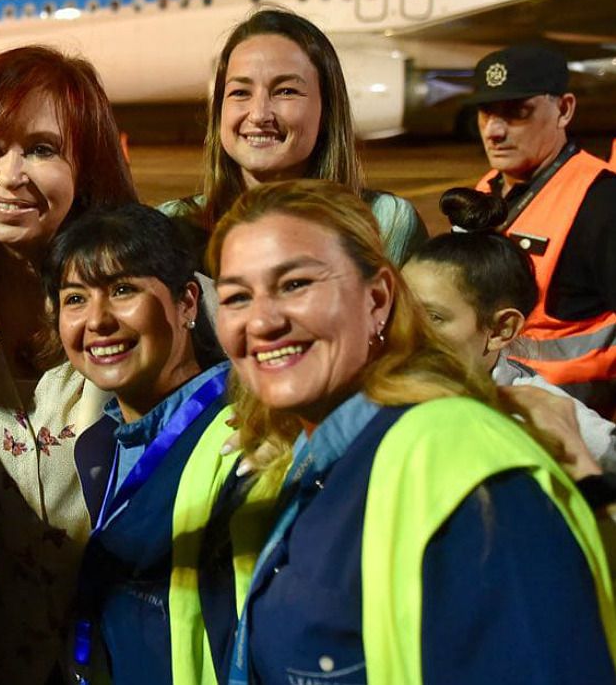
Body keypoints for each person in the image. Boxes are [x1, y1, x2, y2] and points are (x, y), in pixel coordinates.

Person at [199, 179, 615, 684]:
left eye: (296, 285)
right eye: (237, 296)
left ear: (377, 300)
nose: (262, 321)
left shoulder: (456, 461)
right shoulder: (312, 458)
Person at [0, 45, 138, 683]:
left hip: (122, 654)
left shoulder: (137, 309)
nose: (9, 174)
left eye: (42, 150)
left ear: (90, 168)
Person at [40, 203, 234, 683]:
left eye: (123, 290)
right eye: (75, 299)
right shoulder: (98, 445)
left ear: (187, 303)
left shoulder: (241, 436)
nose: (98, 320)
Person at [159, 8, 426, 265]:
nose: (259, 115)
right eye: (240, 92)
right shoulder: (173, 226)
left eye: (286, 91)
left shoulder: (388, 224)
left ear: (327, 110)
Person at [442, 44, 616, 417]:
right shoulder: (487, 188)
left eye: (517, 113)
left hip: (574, 427)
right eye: (486, 113)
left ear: (564, 110)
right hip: (491, 408)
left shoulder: (601, 201)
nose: (495, 131)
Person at [402, 230, 616, 471]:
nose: (406, 327)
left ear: (500, 330)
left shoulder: (545, 419)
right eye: (401, 308)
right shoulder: (374, 379)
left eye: (434, 317)